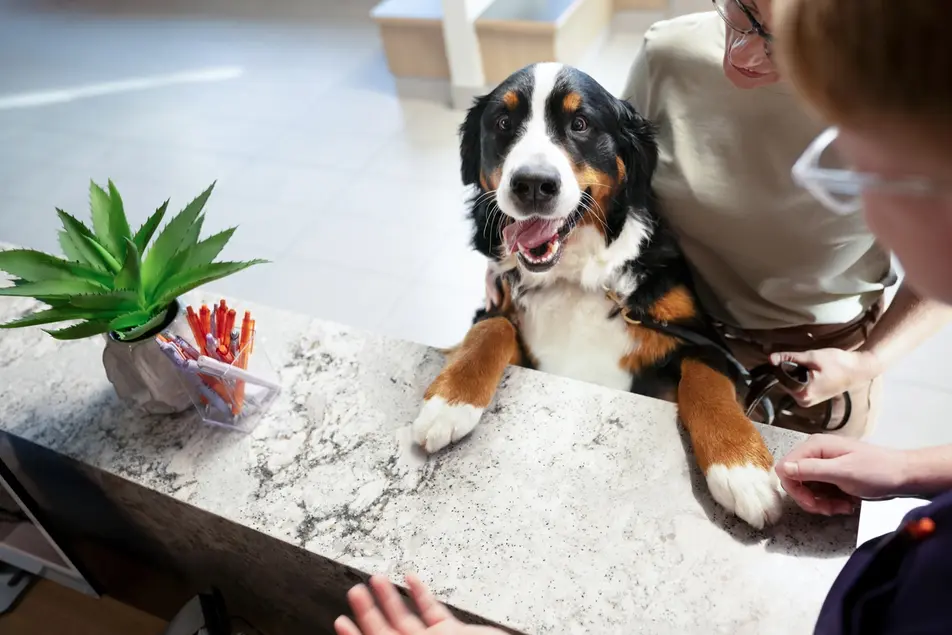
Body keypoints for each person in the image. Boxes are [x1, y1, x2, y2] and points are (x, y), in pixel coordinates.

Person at [335, 1, 952, 633]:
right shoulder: (669, 54)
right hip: (661, 311)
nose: (739, 51)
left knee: (747, 579)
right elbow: (608, 179)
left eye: (770, 34)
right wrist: (514, 274)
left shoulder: (898, 80)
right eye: (736, 11)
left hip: (816, 372)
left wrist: (871, 359)